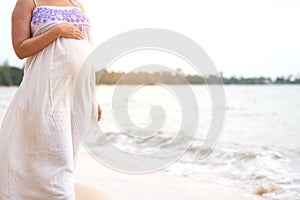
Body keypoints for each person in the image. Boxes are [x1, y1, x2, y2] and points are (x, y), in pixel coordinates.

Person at [0, 0, 101, 199]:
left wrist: (93, 94)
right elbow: (20, 49)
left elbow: (87, 50)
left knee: (67, 159)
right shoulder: (28, 2)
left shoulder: (77, 4)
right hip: (46, 94)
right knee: (58, 160)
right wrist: (56, 32)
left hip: (76, 95)